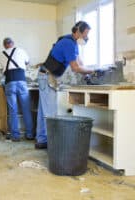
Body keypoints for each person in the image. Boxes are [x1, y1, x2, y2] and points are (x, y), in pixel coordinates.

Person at [35, 21, 95, 149]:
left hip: (45, 76)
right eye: (85, 34)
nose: (86, 38)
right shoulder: (68, 43)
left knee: (43, 111)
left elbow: (79, 62)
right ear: (78, 32)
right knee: (50, 113)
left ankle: (42, 140)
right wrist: (93, 71)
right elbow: (75, 67)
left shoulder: (72, 42)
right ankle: (54, 146)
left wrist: (87, 74)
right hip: (47, 77)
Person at [0, 37, 34, 142]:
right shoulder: (20, 50)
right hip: (21, 81)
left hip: (9, 82)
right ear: (13, 43)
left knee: (13, 111)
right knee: (26, 109)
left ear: (4, 45)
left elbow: (1, 69)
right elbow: (27, 62)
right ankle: (29, 134)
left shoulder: (2, 54)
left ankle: (15, 136)